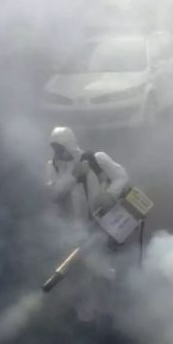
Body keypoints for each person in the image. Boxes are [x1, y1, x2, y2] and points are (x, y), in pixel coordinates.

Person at [45, 126, 130, 323]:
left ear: (70, 144)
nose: (58, 153)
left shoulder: (96, 159)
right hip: (74, 228)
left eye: (61, 147)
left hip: (103, 222)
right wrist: (72, 176)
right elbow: (53, 194)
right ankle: (87, 315)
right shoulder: (53, 167)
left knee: (104, 263)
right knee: (82, 270)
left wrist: (111, 195)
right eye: (55, 148)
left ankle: (113, 307)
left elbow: (122, 176)